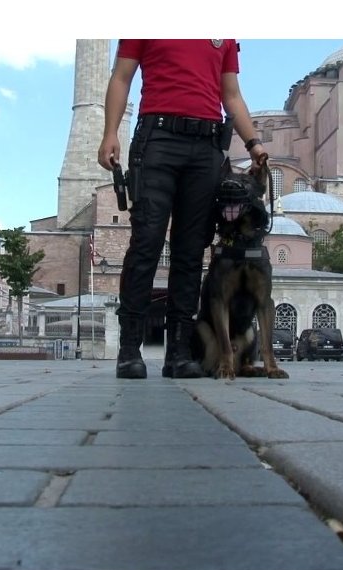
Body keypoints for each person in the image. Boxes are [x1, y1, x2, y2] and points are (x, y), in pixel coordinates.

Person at [97, 39, 268, 379]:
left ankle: (178, 351)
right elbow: (121, 77)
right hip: (157, 140)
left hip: (206, 148)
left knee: (191, 251)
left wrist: (254, 144)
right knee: (146, 242)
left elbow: (230, 94)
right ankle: (130, 349)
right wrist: (110, 132)